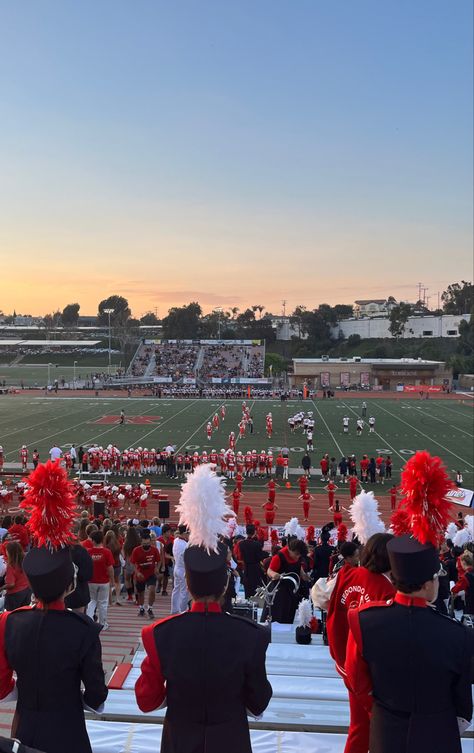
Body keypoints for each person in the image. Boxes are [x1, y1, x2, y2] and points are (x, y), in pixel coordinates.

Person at [134, 464, 272, 753]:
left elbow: (146, 701)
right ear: (224, 587)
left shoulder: (159, 634)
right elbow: (258, 702)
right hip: (231, 741)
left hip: (179, 742)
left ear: (189, 583)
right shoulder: (251, 635)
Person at [0, 459, 108, 753]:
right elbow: (96, 696)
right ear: (68, 585)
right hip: (68, 730)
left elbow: (2, 686)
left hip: (24, 728)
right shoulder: (84, 629)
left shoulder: (10, 621)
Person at [346, 535, 473, 753]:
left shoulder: (363, 620)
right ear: (426, 584)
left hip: (386, 731)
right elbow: (463, 703)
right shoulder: (458, 634)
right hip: (439, 735)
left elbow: (357, 681)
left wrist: (382, 710)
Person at [326, 533, 396, 753]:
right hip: (370, 672)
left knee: (359, 727)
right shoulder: (387, 589)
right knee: (382, 728)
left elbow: (331, 608)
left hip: (347, 661)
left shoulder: (347, 574)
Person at [267, 537, 309, 623]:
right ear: (290, 549)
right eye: (296, 554)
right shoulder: (279, 557)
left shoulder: (298, 556)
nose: (298, 556)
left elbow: (299, 567)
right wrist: (274, 574)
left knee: (289, 615)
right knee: (278, 616)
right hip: (279, 591)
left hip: (292, 590)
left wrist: (304, 575)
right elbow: (269, 570)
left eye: (299, 555)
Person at [86, 529, 114, 630]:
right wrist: (112, 581)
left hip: (91, 581)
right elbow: (110, 568)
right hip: (104, 582)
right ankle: (102, 624)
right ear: (102, 540)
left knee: (91, 601)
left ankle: (89, 623)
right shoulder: (107, 552)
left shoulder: (88, 552)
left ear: (93, 540)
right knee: (102, 603)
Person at [131, 529, 161, 618]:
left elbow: (158, 561)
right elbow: (133, 563)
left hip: (151, 573)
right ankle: (141, 608)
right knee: (141, 593)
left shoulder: (154, 550)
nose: (146, 546)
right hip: (140, 574)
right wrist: (137, 572)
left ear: (150, 542)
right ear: (141, 542)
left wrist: (157, 568)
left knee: (152, 590)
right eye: (144, 544)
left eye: (147, 544)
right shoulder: (136, 550)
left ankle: (150, 608)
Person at [238, 524, 265, 598]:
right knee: (256, 589)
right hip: (256, 568)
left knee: (247, 588)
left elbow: (241, 556)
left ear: (246, 532)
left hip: (246, 568)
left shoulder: (241, 544)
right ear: (254, 532)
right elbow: (260, 557)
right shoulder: (257, 544)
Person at [3, 541, 31, 611]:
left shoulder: (11, 565)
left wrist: (2, 588)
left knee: (12, 615)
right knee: (24, 612)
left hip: (15, 595)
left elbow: (11, 584)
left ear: (10, 552)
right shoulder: (26, 559)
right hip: (27, 591)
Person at [171, 524, 189, 614]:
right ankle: (183, 611)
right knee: (184, 591)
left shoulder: (176, 541)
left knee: (176, 589)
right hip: (183, 569)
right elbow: (187, 560)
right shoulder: (186, 545)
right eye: (187, 533)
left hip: (177, 567)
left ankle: (174, 610)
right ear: (184, 533)